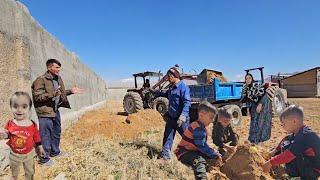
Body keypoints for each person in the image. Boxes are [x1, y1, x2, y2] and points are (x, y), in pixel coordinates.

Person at [31, 59, 84, 164]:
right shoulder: (40, 80)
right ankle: (44, 159)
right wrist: (52, 94)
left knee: (56, 132)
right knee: (45, 135)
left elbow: (60, 93)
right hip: (45, 112)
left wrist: (71, 91)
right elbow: (37, 97)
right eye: (56, 67)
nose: (59, 69)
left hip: (55, 110)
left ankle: (55, 152)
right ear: (49, 67)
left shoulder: (58, 79)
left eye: (59, 67)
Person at [262, 105, 320, 179]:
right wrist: (275, 151)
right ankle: (295, 175)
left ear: (294, 121)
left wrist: (270, 163)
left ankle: (299, 177)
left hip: (313, 171)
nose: (282, 126)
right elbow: (286, 139)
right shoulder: (296, 134)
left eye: (284, 123)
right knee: (287, 144)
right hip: (306, 165)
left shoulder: (305, 135)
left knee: (292, 153)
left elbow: (289, 155)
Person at [0, 92, 46, 180]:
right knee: (14, 173)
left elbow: (36, 137)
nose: (19, 110)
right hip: (14, 155)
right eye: (15, 106)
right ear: (11, 107)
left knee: (30, 172)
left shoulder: (32, 124)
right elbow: (8, 135)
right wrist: (3, 135)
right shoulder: (10, 123)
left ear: (29, 108)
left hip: (29, 154)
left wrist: (40, 147)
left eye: (24, 107)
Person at [175, 101, 222, 180]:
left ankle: (209, 167)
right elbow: (202, 146)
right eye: (211, 117)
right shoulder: (198, 128)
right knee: (199, 161)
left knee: (208, 156)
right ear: (201, 115)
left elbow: (203, 145)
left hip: (193, 150)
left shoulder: (200, 126)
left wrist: (214, 153)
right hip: (184, 152)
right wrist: (214, 154)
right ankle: (202, 178)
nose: (212, 120)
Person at [160, 67, 191, 160]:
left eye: (169, 76)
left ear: (174, 76)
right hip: (171, 118)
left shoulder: (183, 87)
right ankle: (165, 157)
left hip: (180, 120)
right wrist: (154, 92)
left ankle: (195, 156)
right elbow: (166, 95)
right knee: (167, 137)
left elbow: (187, 102)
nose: (167, 78)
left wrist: (183, 116)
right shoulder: (171, 87)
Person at [241, 73, 272, 144]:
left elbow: (264, 94)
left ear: (252, 79)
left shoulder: (256, 85)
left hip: (263, 102)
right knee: (253, 120)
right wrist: (248, 110)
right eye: (246, 78)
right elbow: (246, 100)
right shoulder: (245, 88)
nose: (248, 80)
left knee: (261, 120)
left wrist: (260, 105)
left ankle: (259, 139)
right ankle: (252, 138)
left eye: (249, 78)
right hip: (254, 104)